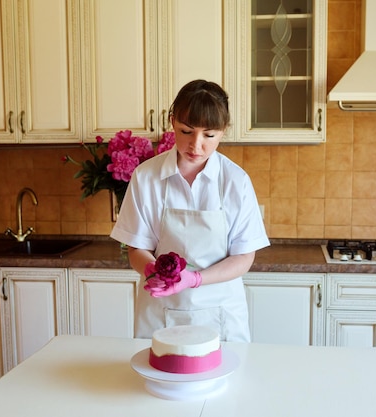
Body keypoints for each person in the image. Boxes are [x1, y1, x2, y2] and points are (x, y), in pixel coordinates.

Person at [110, 79, 270, 342]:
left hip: (223, 315)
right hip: (160, 312)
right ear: (172, 121)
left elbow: (243, 257)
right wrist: (155, 273)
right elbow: (137, 249)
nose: (196, 145)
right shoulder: (146, 177)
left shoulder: (235, 181)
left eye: (209, 135)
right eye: (186, 131)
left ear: (223, 131)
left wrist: (193, 279)